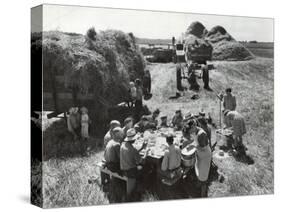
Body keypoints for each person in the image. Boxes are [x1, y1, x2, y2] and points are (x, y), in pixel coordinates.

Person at [120, 128, 149, 201]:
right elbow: (141, 161)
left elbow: (133, 153)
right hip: (130, 171)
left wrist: (142, 147)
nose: (135, 140)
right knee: (146, 168)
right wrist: (146, 152)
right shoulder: (133, 149)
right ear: (133, 139)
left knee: (140, 166)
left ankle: (138, 186)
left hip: (123, 167)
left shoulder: (123, 144)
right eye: (135, 139)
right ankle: (142, 188)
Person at [188, 119, 212, 197]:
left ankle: (203, 194)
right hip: (200, 154)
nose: (190, 132)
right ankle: (199, 183)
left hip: (205, 155)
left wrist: (194, 146)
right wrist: (193, 144)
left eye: (191, 129)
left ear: (194, 126)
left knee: (204, 176)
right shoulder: (195, 131)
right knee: (198, 169)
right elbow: (196, 142)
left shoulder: (202, 134)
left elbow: (202, 147)